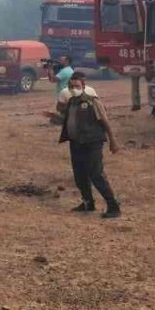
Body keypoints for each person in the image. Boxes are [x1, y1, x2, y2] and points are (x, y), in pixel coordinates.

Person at [55, 72, 121, 218]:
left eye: (77, 86)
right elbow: (66, 119)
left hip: (92, 143)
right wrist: (53, 117)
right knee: (80, 175)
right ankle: (87, 202)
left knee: (96, 174)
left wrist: (113, 141)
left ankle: (113, 206)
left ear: (83, 86)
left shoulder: (92, 101)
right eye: (72, 87)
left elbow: (104, 121)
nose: (74, 89)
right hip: (76, 143)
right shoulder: (71, 102)